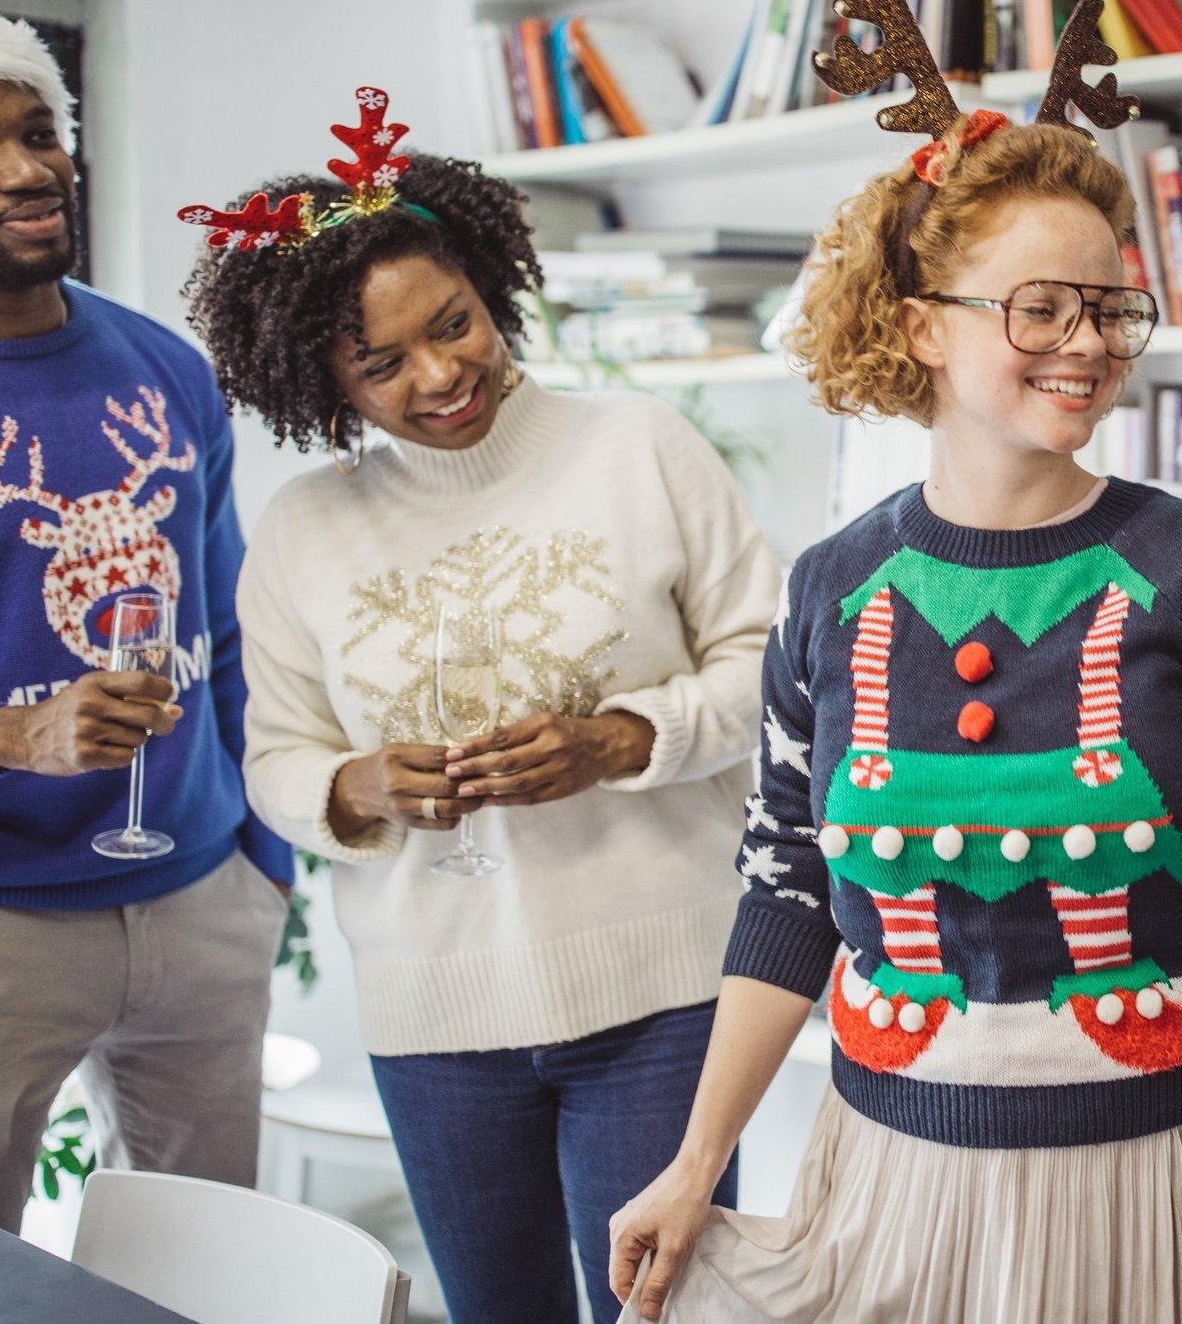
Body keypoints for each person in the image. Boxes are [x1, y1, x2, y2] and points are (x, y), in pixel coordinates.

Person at [606, 0, 1182, 1322]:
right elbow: (787, 887)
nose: (1085, 344)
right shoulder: (831, 589)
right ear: (921, 324)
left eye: (1107, 308)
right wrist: (694, 1164)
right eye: (1038, 307)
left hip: (1168, 1165)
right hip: (894, 1167)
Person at [181, 87, 777, 1324]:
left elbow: (775, 667)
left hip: (664, 996)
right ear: (321, 377)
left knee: (665, 1312)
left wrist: (622, 739)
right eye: (381, 362)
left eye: (453, 324)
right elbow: (277, 758)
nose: (441, 373)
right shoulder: (304, 530)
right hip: (437, 1019)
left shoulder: (639, 447)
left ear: (489, 287)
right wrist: (358, 787)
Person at [0, 0, 291, 1234]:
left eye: (37, 130)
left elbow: (233, 626)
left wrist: (262, 859)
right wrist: (8, 734)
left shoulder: (164, 366)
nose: (24, 168)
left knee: (206, 1269)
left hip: (200, 892)